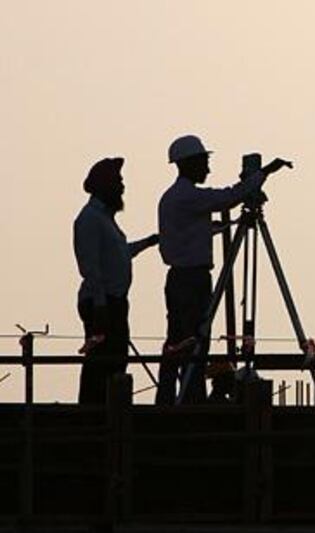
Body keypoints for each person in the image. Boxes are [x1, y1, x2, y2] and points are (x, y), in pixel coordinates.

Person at [156, 134, 292, 405]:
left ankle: (173, 396)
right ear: (190, 163)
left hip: (183, 277)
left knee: (179, 341)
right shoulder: (187, 196)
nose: (207, 168)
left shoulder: (176, 198)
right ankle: (190, 399)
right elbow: (227, 197)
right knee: (193, 341)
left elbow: (201, 225)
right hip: (190, 278)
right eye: (204, 162)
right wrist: (263, 174)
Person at [73, 157, 159, 404]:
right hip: (102, 303)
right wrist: (101, 306)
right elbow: (90, 267)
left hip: (113, 302)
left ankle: (104, 408)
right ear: (104, 185)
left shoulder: (106, 220)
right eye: (118, 181)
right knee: (101, 360)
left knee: (115, 359)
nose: (122, 187)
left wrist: (149, 242)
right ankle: (94, 410)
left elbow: (119, 253)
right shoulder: (89, 219)